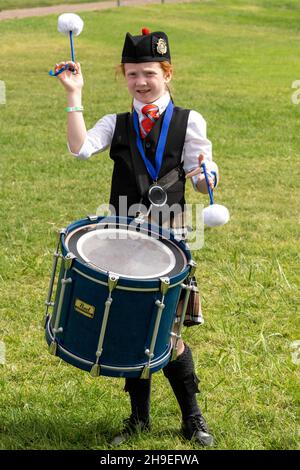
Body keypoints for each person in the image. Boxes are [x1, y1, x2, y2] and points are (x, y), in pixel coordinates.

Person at [54, 28, 219, 447]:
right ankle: (138, 419)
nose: (141, 82)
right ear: (123, 76)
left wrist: (206, 176)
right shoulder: (117, 123)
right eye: (132, 75)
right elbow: (79, 149)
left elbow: (201, 180)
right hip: (123, 240)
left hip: (171, 242)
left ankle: (193, 418)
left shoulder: (188, 121)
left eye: (149, 73)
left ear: (167, 73)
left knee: (168, 334)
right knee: (129, 326)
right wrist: (74, 94)